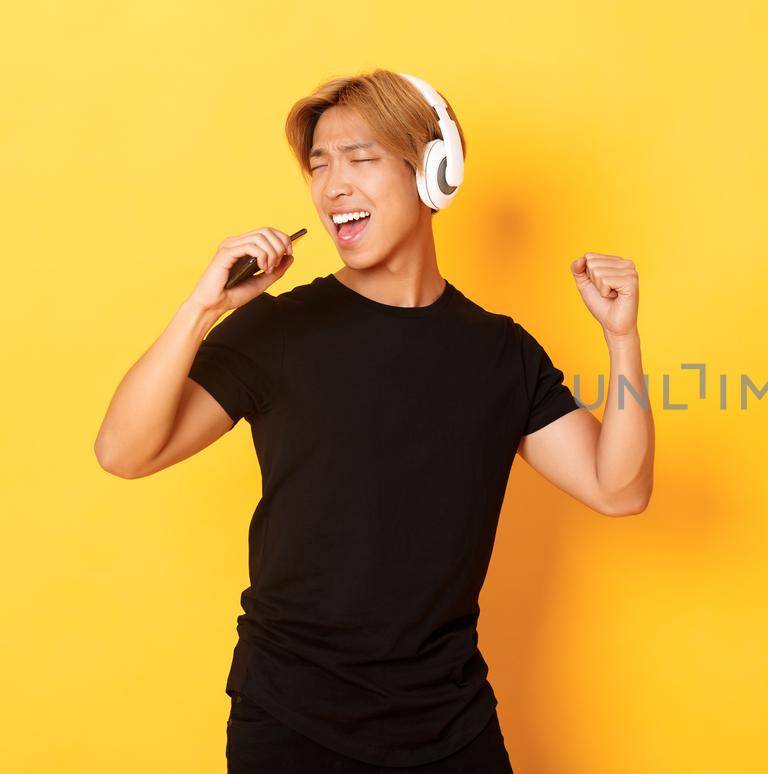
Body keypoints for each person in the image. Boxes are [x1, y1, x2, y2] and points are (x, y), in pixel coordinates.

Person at [92, 68, 655, 772]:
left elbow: (620, 488)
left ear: (435, 173)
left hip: (451, 725)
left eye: (360, 159)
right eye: (320, 165)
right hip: (291, 720)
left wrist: (622, 340)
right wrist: (204, 307)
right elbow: (124, 450)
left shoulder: (499, 352)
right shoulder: (277, 330)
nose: (332, 187)